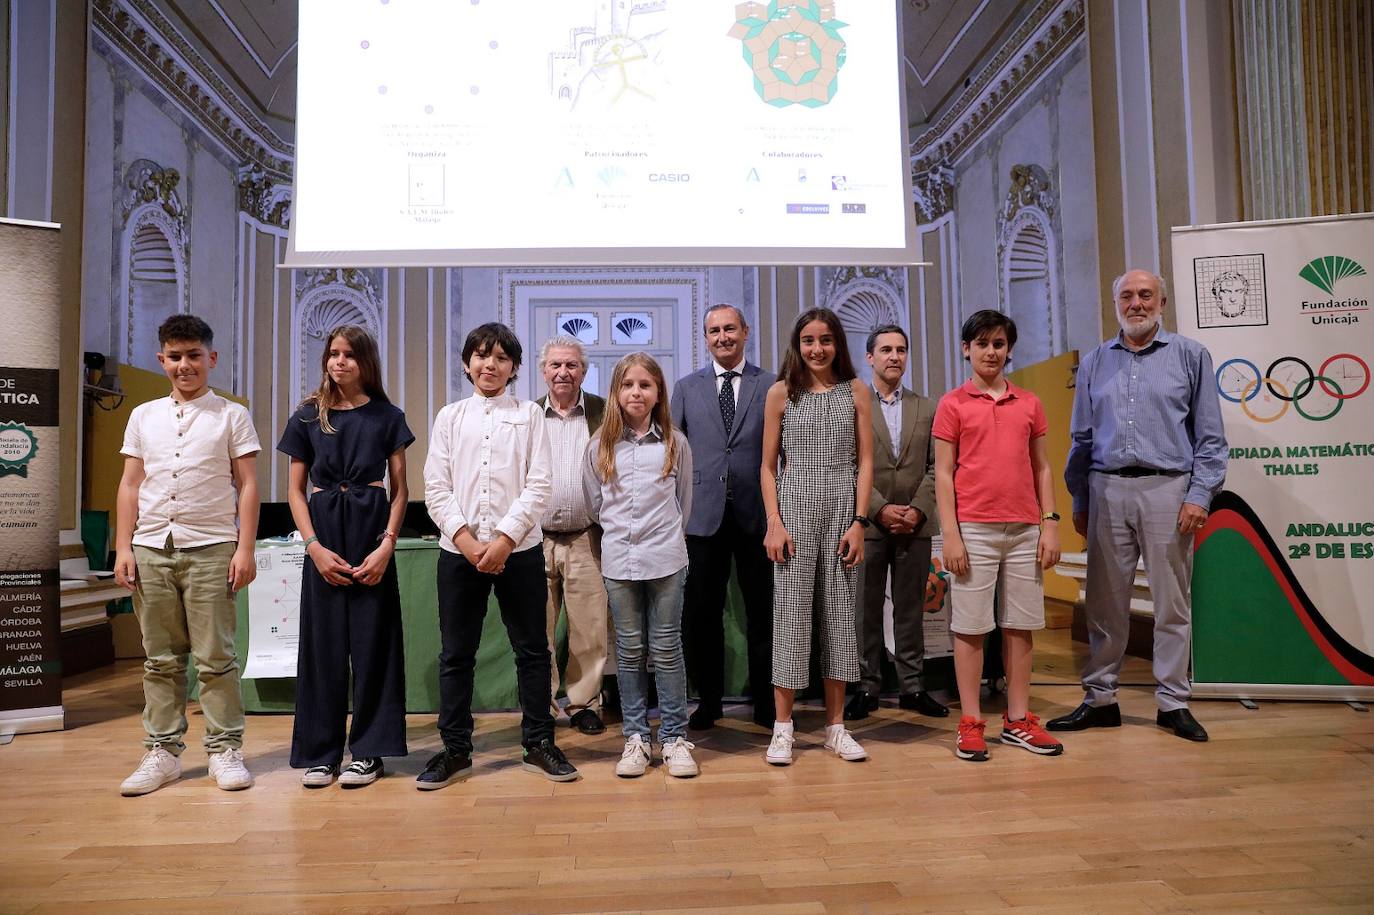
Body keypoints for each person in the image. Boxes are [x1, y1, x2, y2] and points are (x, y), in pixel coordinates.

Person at [1052, 269, 1227, 742]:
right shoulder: (1094, 362)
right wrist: (1080, 498)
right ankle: (1100, 699)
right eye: (1126, 295)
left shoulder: (1191, 356)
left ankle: (1173, 702)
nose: (1136, 303)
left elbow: (1211, 439)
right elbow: (1082, 438)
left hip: (1168, 490)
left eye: (1145, 295)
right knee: (1104, 602)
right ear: (1115, 304)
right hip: (1106, 489)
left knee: (1172, 603)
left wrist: (1198, 496)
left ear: (1162, 301)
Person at [420, 322, 578, 788]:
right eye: (481, 356)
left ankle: (539, 743)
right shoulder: (449, 416)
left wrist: (505, 538)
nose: (490, 364)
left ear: (514, 368)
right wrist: (468, 541)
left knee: (532, 650)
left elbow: (539, 484)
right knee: (456, 655)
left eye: (501, 358)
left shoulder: (530, 414)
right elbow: (436, 487)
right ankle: (455, 749)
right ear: (467, 362)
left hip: (521, 552)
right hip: (458, 554)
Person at [113, 314, 260, 795]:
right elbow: (130, 485)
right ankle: (162, 752)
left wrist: (244, 549)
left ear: (211, 359)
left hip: (212, 547)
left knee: (215, 657)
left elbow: (249, 485)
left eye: (194, 355)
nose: (184, 365)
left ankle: (224, 750)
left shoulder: (231, 415)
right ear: (162, 360)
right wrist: (123, 547)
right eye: (175, 357)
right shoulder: (143, 416)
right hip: (151, 547)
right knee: (160, 660)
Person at [278, 325, 413, 788]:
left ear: (365, 361)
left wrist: (387, 545)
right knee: (323, 648)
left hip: (372, 532)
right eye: (332, 354)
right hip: (324, 535)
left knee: (375, 647)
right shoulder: (306, 416)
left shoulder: (387, 416)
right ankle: (322, 753)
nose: (338, 362)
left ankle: (370, 752)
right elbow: (295, 491)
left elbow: (400, 489)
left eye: (349, 355)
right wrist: (313, 547)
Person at [933, 309, 1063, 763]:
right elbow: (944, 476)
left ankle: (1019, 719)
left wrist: (1049, 522)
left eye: (999, 344)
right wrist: (951, 534)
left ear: (1009, 349)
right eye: (982, 343)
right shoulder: (953, 404)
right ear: (966, 348)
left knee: (1020, 625)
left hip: (1025, 528)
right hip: (974, 530)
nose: (991, 351)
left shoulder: (1029, 403)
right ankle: (970, 722)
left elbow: (1042, 466)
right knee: (969, 628)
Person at [760, 308, 874, 765]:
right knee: (790, 618)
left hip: (842, 514)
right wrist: (774, 521)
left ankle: (835, 727)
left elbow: (866, 461)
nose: (817, 349)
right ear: (797, 344)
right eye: (808, 340)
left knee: (840, 620)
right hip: (793, 513)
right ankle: (783, 728)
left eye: (825, 340)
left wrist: (860, 522)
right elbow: (768, 467)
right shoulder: (781, 393)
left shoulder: (856, 391)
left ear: (838, 344)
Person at [583, 353, 698, 778]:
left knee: (666, 649)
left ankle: (673, 737)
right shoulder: (598, 446)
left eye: (645, 385)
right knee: (629, 651)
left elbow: (683, 504)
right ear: (616, 392)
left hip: (667, 560)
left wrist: (662, 537)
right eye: (628, 385)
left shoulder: (675, 442)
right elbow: (595, 506)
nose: (636, 392)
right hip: (619, 562)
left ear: (658, 393)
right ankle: (635, 736)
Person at [671, 304, 775, 730]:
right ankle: (709, 701)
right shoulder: (685, 386)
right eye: (714, 331)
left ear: (745, 332)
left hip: (759, 517)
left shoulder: (771, 385)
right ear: (705, 337)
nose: (722, 337)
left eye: (730, 329)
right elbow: (672, 451)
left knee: (764, 614)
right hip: (702, 518)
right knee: (701, 615)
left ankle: (767, 704)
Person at [846, 324, 948, 722]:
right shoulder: (854, 405)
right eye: (886, 350)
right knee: (865, 610)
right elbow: (851, 465)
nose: (894, 356)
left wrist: (918, 509)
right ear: (869, 357)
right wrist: (879, 509)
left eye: (901, 350)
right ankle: (867, 686)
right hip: (868, 525)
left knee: (910, 610)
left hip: (916, 525)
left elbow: (935, 466)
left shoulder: (928, 407)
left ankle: (913, 686)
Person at [536, 336, 610, 736]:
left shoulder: (603, 412)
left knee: (588, 629)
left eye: (571, 365)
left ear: (583, 370)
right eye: (555, 365)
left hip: (587, 536)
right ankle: (542, 707)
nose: (563, 372)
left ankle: (584, 704)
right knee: (539, 630)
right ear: (543, 371)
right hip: (535, 538)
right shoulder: (526, 415)